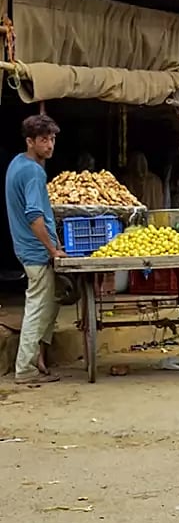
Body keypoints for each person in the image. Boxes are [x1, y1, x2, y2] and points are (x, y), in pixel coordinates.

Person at [6, 114, 65, 384]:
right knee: (37, 307)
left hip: (27, 248)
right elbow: (34, 216)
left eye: (52, 139)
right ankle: (26, 370)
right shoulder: (32, 172)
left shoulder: (17, 164)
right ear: (30, 141)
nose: (50, 145)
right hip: (35, 251)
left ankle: (39, 356)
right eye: (44, 140)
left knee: (49, 304)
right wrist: (53, 250)